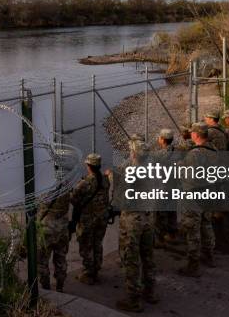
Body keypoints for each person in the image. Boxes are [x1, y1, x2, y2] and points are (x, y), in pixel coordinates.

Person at [115, 137, 157, 312]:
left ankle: (133, 300)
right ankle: (150, 292)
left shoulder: (132, 171)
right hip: (148, 218)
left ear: (133, 153)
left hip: (133, 221)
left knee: (131, 259)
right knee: (148, 257)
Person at [178, 122, 217, 277]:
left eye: (192, 132)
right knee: (207, 225)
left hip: (194, 195)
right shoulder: (214, 149)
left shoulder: (194, 154)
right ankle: (209, 256)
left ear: (196, 135)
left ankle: (193, 266)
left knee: (193, 230)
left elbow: (190, 176)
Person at [70, 153, 109, 284]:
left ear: (88, 166)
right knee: (97, 243)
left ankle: (88, 273)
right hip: (102, 218)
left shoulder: (84, 183)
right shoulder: (105, 179)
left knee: (86, 246)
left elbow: (74, 200)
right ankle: (96, 269)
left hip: (87, 220)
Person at [37, 189, 71, 292]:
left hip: (47, 229)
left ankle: (46, 287)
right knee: (61, 258)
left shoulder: (45, 188)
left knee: (42, 260)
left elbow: (41, 208)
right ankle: (60, 286)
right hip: (62, 228)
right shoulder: (65, 187)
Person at [152, 128, 178, 247]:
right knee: (172, 211)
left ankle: (160, 238)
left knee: (160, 214)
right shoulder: (177, 152)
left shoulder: (158, 155)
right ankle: (172, 235)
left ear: (162, 140)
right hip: (175, 186)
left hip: (163, 187)